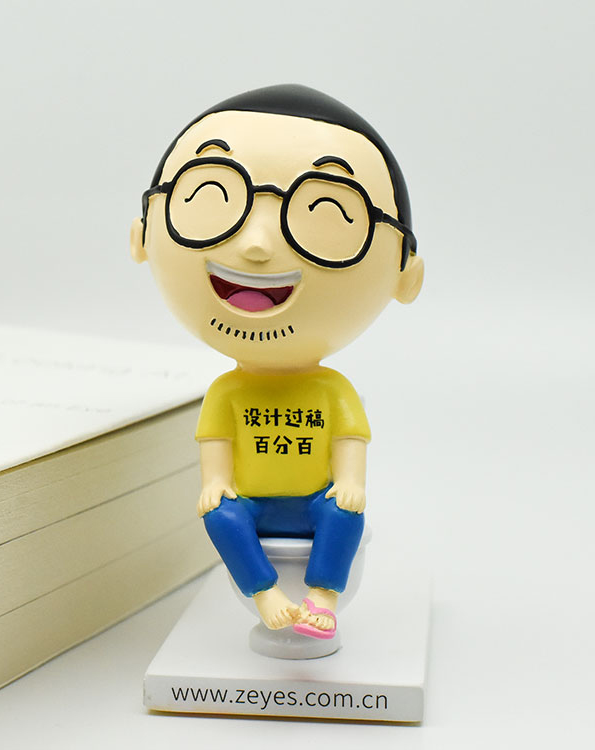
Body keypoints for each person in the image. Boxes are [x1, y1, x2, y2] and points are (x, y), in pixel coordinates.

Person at [131, 84, 424, 638]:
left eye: (327, 212)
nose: (258, 244)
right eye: (211, 196)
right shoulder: (228, 391)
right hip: (254, 505)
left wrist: (350, 483)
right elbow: (216, 452)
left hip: (314, 502)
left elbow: (350, 445)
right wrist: (216, 484)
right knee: (221, 515)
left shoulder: (332, 391)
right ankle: (264, 593)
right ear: (141, 236)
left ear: (405, 276)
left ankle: (322, 596)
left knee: (344, 513)